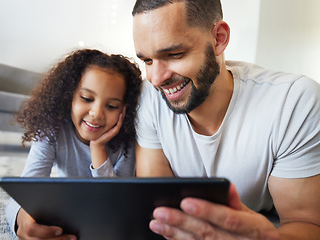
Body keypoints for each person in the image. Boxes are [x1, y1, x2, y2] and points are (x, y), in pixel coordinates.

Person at [132, 0, 320, 239]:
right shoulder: (149, 97)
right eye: (147, 61)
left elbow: (306, 223)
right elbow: (157, 211)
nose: (156, 78)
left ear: (219, 38)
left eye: (174, 54)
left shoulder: (294, 102)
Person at [5, 49, 142, 239]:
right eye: (86, 98)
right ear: (69, 96)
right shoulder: (52, 130)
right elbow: (24, 191)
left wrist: (98, 149)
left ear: (125, 111)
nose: (96, 113)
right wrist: (22, 219)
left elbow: (116, 203)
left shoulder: (128, 142)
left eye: (111, 106)